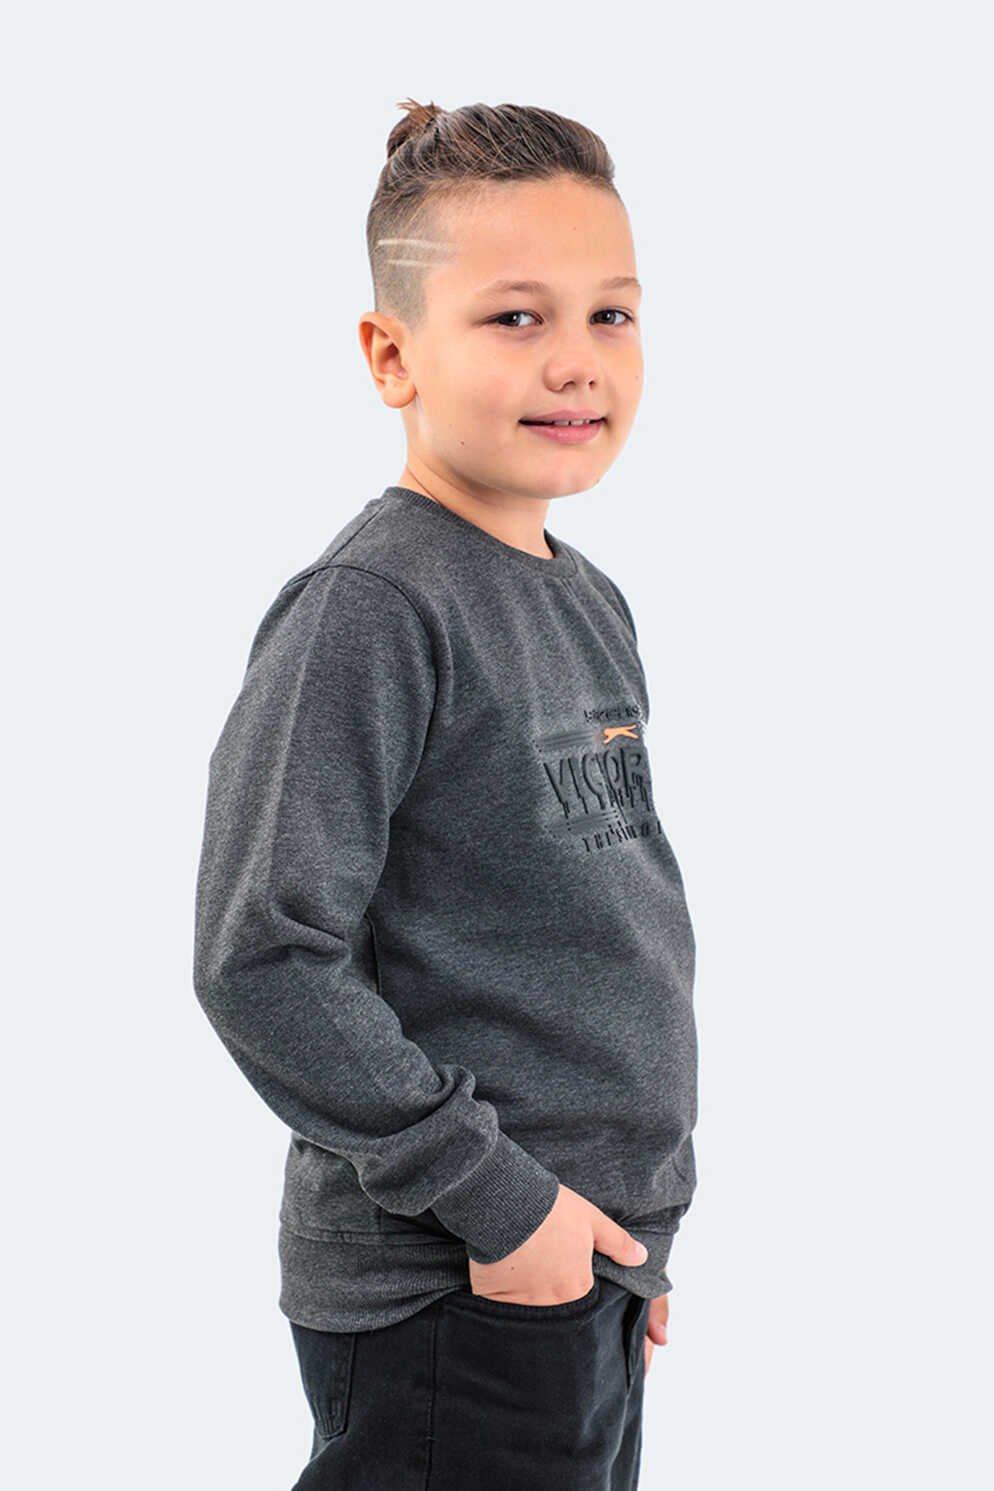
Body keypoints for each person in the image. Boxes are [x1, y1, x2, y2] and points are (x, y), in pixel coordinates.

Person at [193, 96, 699, 1491]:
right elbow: (262, 955)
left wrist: (625, 1245)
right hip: (454, 1280)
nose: (576, 360)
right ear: (391, 355)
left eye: (611, 315)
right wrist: (504, 1208)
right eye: (515, 318)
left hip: (577, 1270)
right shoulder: (371, 608)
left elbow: (588, 934)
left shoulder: (585, 597)